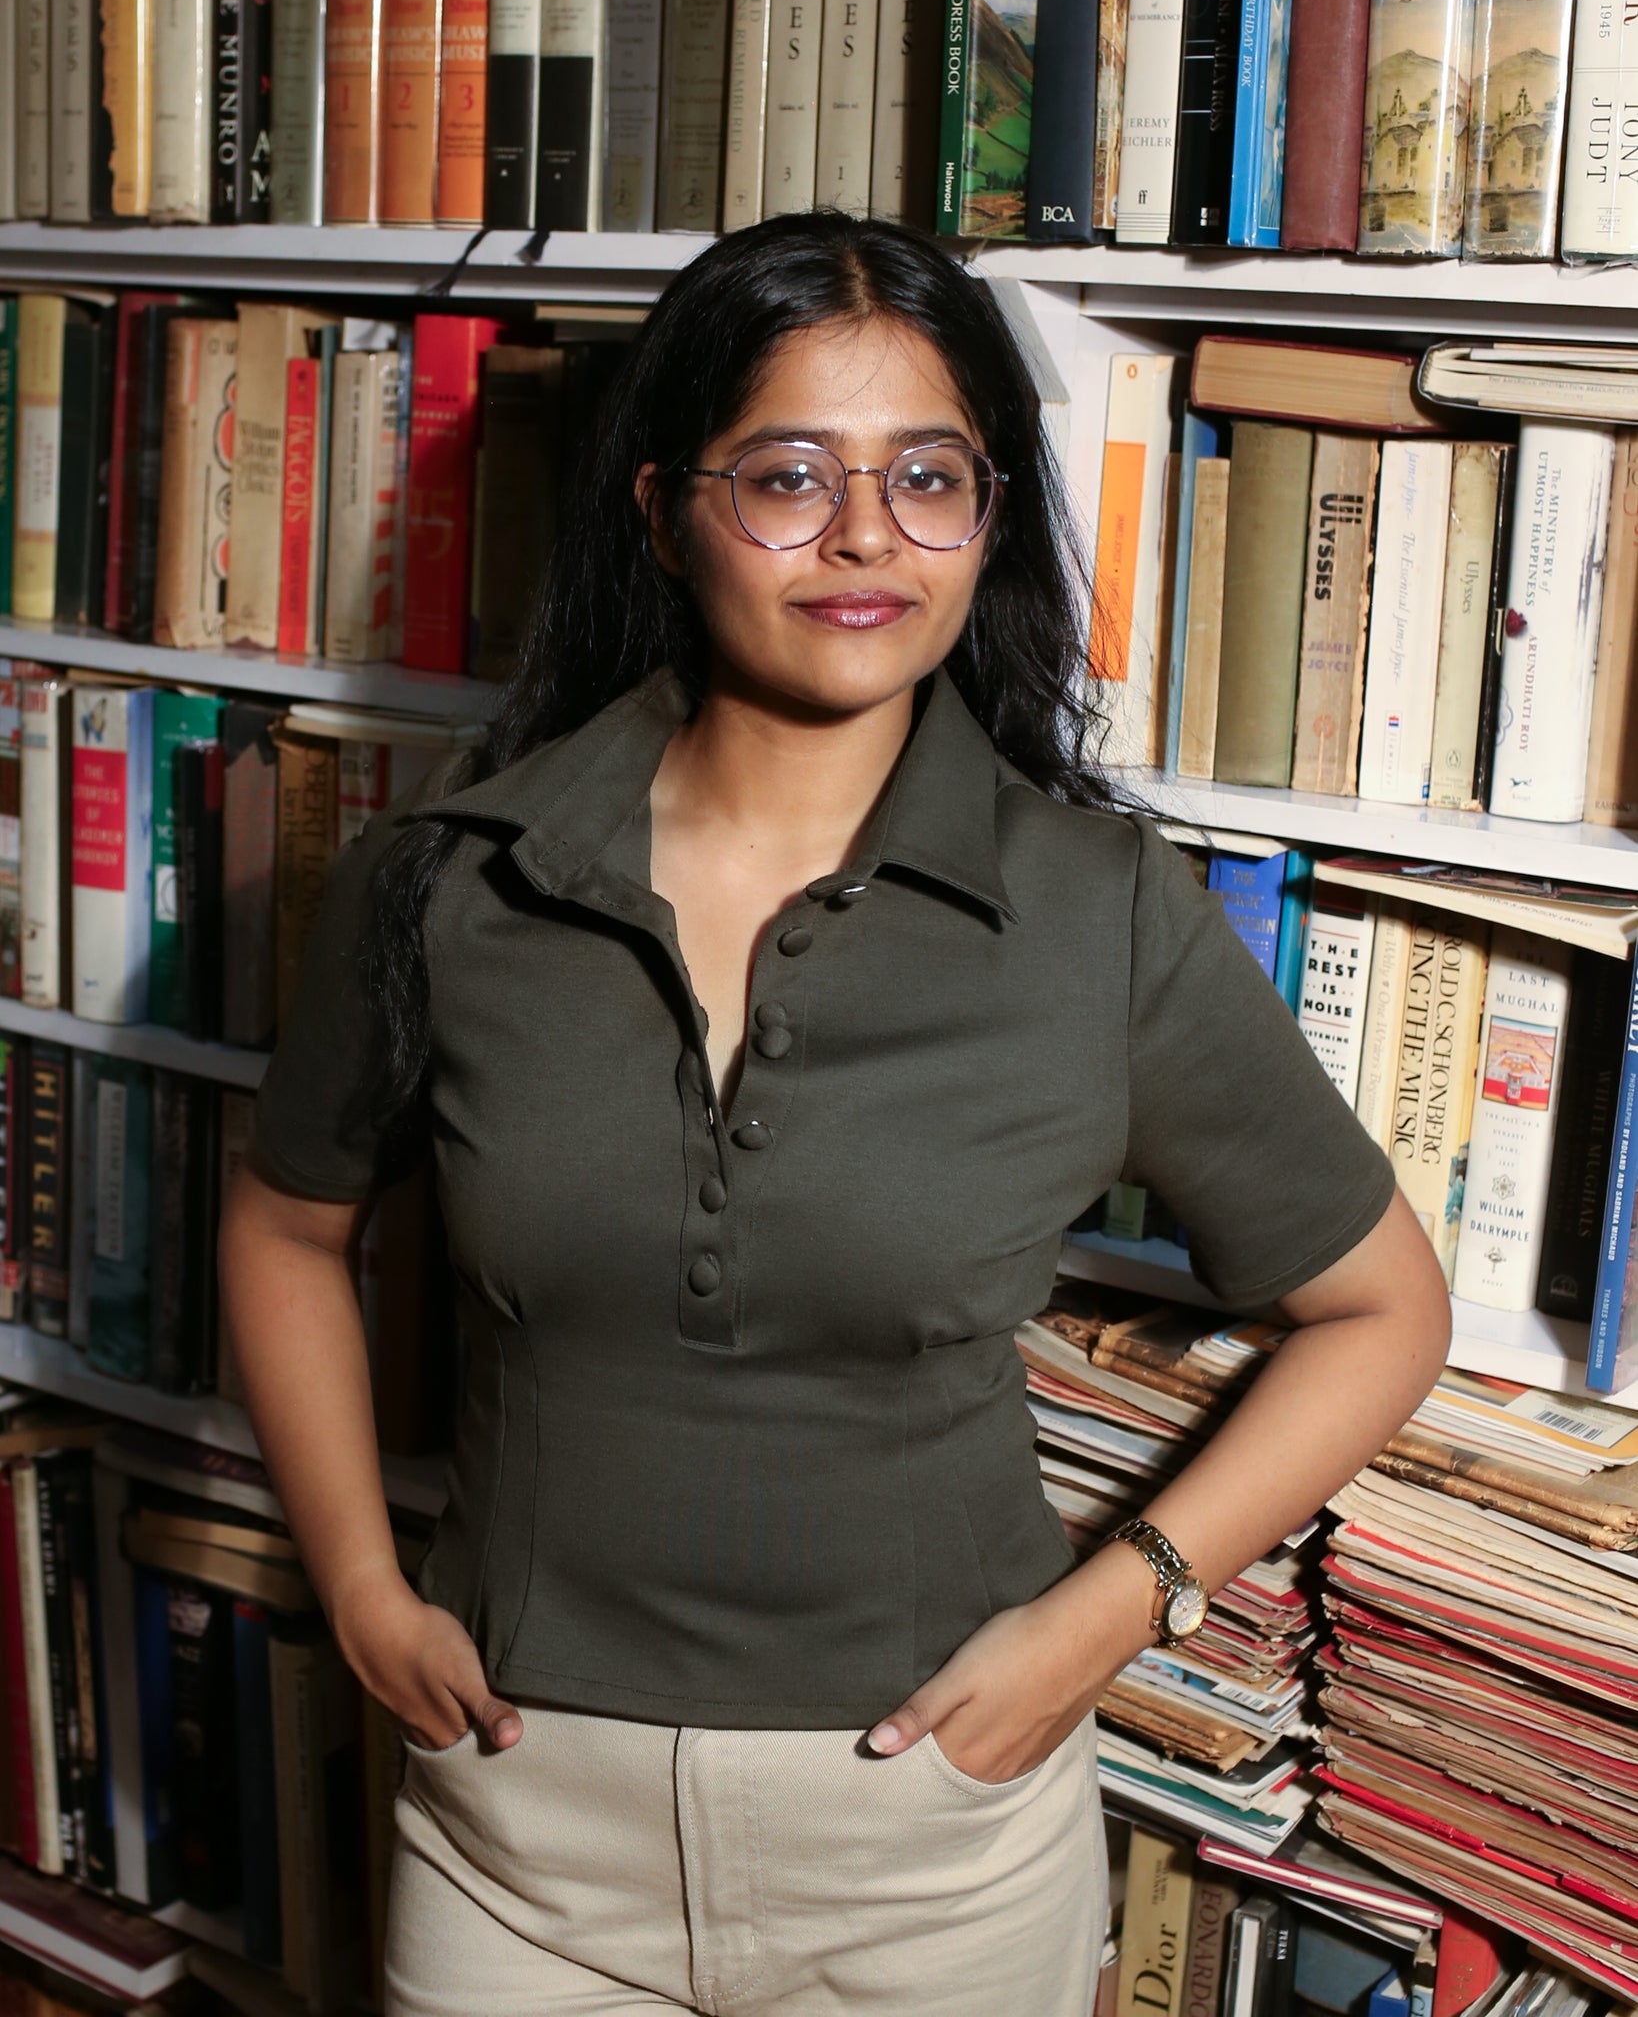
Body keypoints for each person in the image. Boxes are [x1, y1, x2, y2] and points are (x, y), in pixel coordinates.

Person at [220, 210, 1452, 2017]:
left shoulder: (1098, 911)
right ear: (658, 509)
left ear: (989, 514)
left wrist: (1111, 1611)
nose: (866, 534)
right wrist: (352, 1579)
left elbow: (1381, 1308)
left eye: (928, 476)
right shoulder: (448, 880)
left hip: (929, 1850)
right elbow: (282, 1221)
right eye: (787, 474)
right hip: (512, 1837)